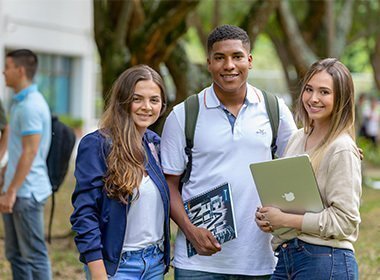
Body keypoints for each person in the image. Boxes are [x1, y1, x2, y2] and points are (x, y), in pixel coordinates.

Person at [161, 24, 297, 279]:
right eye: (220, 58)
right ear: (209, 63)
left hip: (260, 259)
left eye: (236, 56)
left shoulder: (274, 109)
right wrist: (191, 232)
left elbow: (298, 166)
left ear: (250, 60)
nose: (229, 65)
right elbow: (169, 185)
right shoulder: (184, 115)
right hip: (198, 263)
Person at [255, 58, 361, 279]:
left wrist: (284, 219)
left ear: (341, 99)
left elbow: (346, 221)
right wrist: (269, 216)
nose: (313, 99)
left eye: (324, 92)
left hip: (325, 259)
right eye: (309, 90)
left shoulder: (341, 148)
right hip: (287, 257)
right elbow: (291, 199)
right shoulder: (297, 138)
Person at [70, 64, 171, 279]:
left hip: (154, 263)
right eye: (137, 99)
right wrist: (98, 272)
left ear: (162, 105)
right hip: (117, 267)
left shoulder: (155, 144)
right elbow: (85, 213)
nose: (146, 106)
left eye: (154, 100)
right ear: (123, 101)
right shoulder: (97, 145)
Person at [1, 49, 52, 279]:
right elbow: (19, 149)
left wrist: (11, 191)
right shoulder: (19, 103)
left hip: (26, 192)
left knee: (33, 255)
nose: (4, 71)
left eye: (7, 66)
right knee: (15, 255)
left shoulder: (31, 105)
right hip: (16, 189)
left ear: (20, 71)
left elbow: (30, 152)